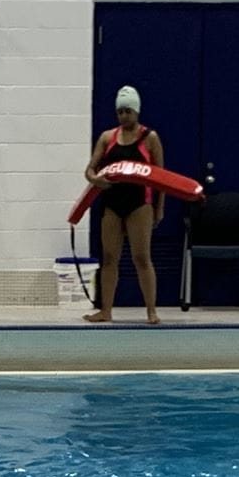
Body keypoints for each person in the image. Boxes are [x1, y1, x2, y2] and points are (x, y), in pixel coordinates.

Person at [82, 85, 165, 326]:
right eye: (120, 112)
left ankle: (151, 311)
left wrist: (159, 208)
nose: (124, 116)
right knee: (109, 258)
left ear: (137, 111)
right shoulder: (108, 137)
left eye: (128, 111)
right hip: (112, 204)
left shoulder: (150, 138)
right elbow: (89, 169)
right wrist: (95, 179)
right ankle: (106, 310)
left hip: (140, 204)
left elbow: (162, 178)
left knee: (141, 257)